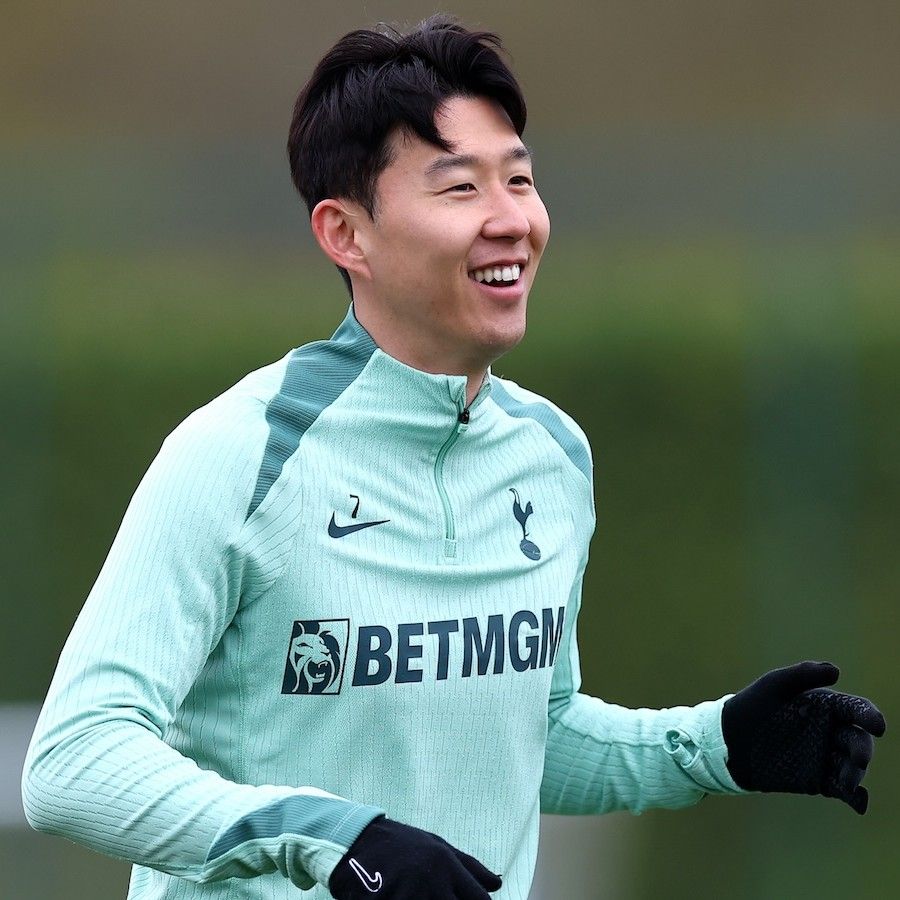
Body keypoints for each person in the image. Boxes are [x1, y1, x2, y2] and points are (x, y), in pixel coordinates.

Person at [22, 15, 885, 900]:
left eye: (520, 179)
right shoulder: (241, 454)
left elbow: (528, 735)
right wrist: (333, 838)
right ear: (345, 234)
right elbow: (73, 762)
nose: (511, 219)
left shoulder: (552, 455)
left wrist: (716, 746)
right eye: (461, 187)